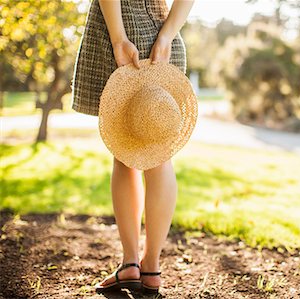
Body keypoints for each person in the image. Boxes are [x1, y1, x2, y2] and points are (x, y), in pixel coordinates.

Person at [70, 0, 194, 293]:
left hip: (121, 32)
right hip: (165, 36)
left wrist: (118, 39)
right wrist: (167, 35)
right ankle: (151, 266)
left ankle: (130, 264)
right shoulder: (166, 36)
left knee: (124, 151)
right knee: (158, 155)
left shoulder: (120, 37)